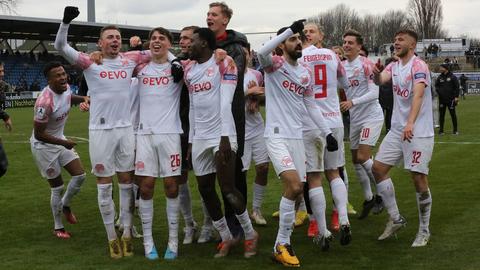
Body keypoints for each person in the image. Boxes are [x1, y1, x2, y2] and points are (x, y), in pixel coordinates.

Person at [54, 6, 179, 259]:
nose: (114, 40)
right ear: (100, 43)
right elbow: (61, 47)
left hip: (126, 130)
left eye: (117, 37)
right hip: (100, 131)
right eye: (109, 37)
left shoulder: (131, 59)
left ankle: (127, 234)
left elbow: (164, 49)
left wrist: (175, 61)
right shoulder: (90, 61)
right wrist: (65, 22)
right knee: (103, 185)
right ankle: (112, 238)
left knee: (125, 182)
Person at [257, 20, 338, 267]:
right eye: (292, 39)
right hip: (277, 135)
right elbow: (260, 52)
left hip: (298, 137)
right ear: (281, 45)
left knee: (295, 191)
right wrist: (288, 30)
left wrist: (327, 133)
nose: (298, 41)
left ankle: (280, 246)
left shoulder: (304, 73)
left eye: (299, 38)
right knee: (293, 186)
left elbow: (311, 105)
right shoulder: (274, 66)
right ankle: (283, 243)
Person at [184, 27, 258, 259]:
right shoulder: (189, 70)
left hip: (222, 135)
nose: (187, 46)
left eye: (192, 42)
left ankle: (249, 233)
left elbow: (226, 103)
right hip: (200, 138)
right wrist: (190, 140)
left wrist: (226, 137)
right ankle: (226, 237)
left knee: (227, 188)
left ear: (205, 44)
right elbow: (193, 107)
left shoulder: (224, 63)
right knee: (205, 189)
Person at [372, 29, 434, 247]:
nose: (396, 42)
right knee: (378, 169)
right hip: (398, 130)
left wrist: (410, 123)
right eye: (395, 39)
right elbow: (381, 80)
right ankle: (396, 218)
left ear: (413, 45)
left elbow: (418, 94)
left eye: (401, 40)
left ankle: (424, 230)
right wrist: (375, 74)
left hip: (418, 131)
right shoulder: (393, 65)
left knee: (418, 178)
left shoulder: (419, 66)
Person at [300, 22, 352, 248]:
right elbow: (346, 83)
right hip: (333, 119)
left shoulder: (299, 56)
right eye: (307, 31)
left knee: (314, 177)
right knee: (334, 172)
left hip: (310, 122)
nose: (308, 34)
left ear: (320, 35)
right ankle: (343, 219)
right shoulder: (333, 56)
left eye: (311, 31)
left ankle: (322, 231)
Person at [133, 27, 183, 260]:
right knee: (146, 187)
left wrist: (174, 61)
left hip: (170, 134)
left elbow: (195, 60)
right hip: (144, 134)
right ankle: (148, 241)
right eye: (153, 38)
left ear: (169, 44)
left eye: (161, 38)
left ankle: (173, 242)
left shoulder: (179, 68)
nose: (156, 41)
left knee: (172, 186)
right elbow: (120, 60)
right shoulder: (140, 67)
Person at [30, 61, 88, 239]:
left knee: (80, 176)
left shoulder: (66, 87)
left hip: (60, 140)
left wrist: (85, 99)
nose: (63, 77)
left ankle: (65, 205)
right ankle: (58, 227)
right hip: (44, 147)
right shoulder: (44, 103)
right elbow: (40, 134)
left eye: (64, 73)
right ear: (49, 80)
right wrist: (64, 143)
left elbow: (69, 98)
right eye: (58, 75)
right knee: (58, 187)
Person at [207, 2, 249, 237]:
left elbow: (235, 73)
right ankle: (221, 222)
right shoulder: (203, 42)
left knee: (234, 169)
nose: (209, 17)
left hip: (231, 116)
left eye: (214, 14)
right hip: (207, 118)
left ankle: (238, 222)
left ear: (225, 20)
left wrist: (217, 60)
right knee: (212, 172)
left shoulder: (235, 47)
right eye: (208, 14)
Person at [176, 25, 216, 244]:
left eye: (188, 38)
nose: (184, 42)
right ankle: (189, 224)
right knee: (180, 179)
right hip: (178, 128)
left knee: (206, 181)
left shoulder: (203, 62)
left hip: (204, 128)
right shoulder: (176, 63)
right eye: (181, 38)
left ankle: (209, 225)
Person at [340, 30, 385, 219]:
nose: (347, 45)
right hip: (355, 119)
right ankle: (369, 198)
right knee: (356, 160)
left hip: (371, 116)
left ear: (359, 47)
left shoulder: (366, 65)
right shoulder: (341, 67)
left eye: (351, 43)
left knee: (363, 156)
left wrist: (352, 102)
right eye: (345, 42)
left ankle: (381, 194)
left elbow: (375, 94)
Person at [241, 43, 269, 226]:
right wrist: (247, 92)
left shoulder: (256, 75)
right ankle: (241, 212)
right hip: (238, 130)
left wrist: (257, 98)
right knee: (240, 173)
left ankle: (256, 209)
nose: (243, 57)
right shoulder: (225, 75)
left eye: (245, 54)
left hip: (257, 126)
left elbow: (264, 100)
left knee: (263, 168)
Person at [435, 63, 459, 135]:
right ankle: (441, 131)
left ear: (446, 68)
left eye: (441, 67)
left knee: (453, 115)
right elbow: (436, 86)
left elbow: (456, 87)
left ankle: (455, 130)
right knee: (441, 115)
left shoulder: (453, 77)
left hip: (451, 100)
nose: (440, 69)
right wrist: (440, 92)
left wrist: (456, 97)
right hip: (442, 100)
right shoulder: (440, 77)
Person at [379, 58, 396, 132]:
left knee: (389, 115)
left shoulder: (394, 73)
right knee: (381, 115)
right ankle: (380, 129)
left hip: (390, 98)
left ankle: (388, 129)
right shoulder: (384, 73)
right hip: (382, 97)